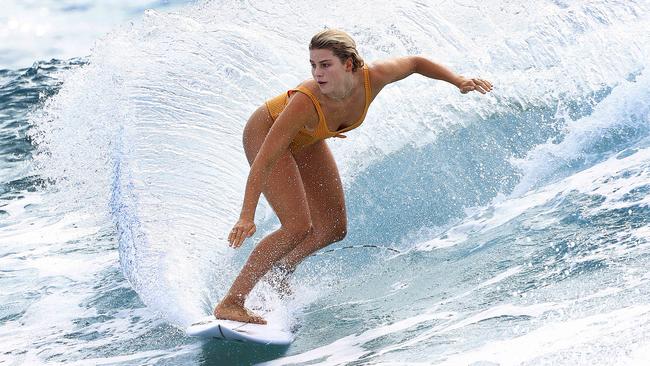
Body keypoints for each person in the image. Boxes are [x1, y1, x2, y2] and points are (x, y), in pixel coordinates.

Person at [214, 29, 493, 324]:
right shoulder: (306, 100)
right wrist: (247, 214)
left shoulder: (374, 76)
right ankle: (232, 302)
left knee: (333, 227)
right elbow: (264, 161)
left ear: (348, 64)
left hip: (309, 137)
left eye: (325, 64)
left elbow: (414, 63)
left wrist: (458, 80)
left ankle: (281, 271)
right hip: (267, 134)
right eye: (313, 65)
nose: (317, 72)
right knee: (297, 225)